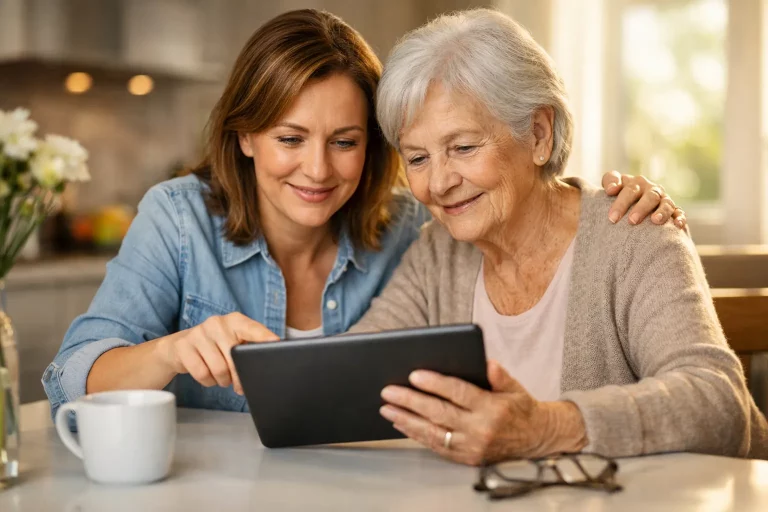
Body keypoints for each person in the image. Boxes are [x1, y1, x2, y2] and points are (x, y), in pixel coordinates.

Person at [42, 9, 682, 417]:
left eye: (345, 142)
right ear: (244, 136)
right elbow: (69, 376)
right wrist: (173, 351)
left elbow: (515, 204)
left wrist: (602, 202)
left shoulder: (414, 228)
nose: (318, 170)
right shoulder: (180, 220)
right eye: (290, 139)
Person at [344, 8, 768, 463]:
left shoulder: (632, 234)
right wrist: (267, 370)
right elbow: (350, 376)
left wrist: (547, 427)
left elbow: (717, 404)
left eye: (463, 148)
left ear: (539, 134)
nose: (438, 182)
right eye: (417, 158)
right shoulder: (437, 253)